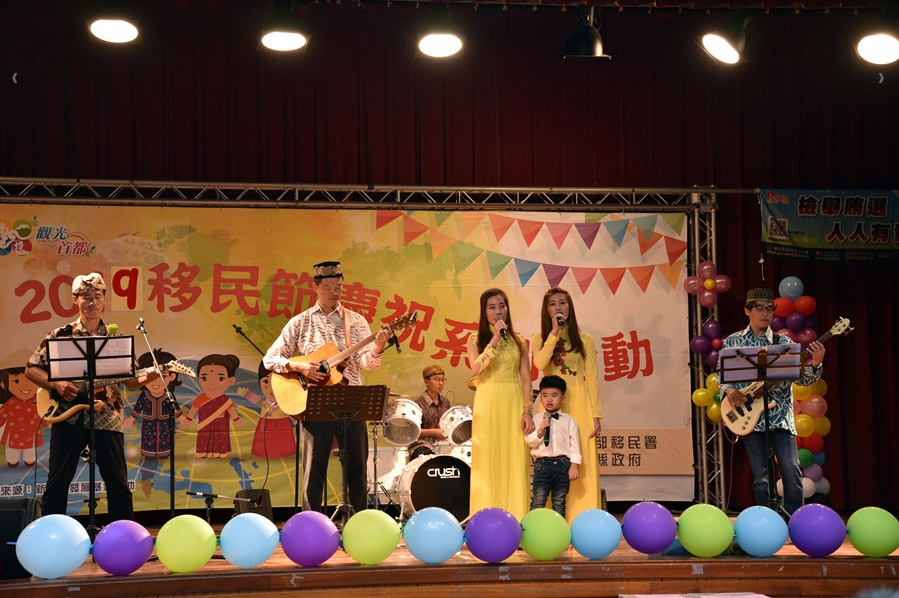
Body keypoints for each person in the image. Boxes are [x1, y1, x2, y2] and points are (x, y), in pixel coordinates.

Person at [25, 272, 158, 520]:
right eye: (86, 297)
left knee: (118, 482)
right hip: (69, 415)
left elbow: (130, 380)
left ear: (104, 299)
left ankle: (123, 537)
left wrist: (151, 375)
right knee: (57, 482)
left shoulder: (116, 339)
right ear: (75, 300)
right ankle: (53, 535)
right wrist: (58, 383)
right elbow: (31, 369)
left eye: (97, 296)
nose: (92, 302)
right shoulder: (61, 334)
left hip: (107, 416)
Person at [263, 261, 391, 514]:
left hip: (351, 399)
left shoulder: (355, 321)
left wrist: (377, 348)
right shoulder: (300, 322)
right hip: (313, 401)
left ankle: (358, 523)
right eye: (329, 287)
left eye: (339, 287)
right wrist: (299, 368)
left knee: (357, 467)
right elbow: (270, 359)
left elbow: (367, 363)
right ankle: (311, 522)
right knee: (314, 469)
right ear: (316, 288)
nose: (335, 292)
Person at [718, 287, 825, 516]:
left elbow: (804, 380)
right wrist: (728, 391)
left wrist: (815, 364)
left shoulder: (782, 341)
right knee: (760, 476)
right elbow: (721, 374)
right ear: (747, 311)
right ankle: (768, 519)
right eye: (760, 309)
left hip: (781, 416)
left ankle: (796, 521)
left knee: (791, 470)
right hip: (750, 417)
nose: (765, 314)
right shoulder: (734, 341)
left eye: (769, 309)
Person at [531, 287, 603, 522]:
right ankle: (551, 521)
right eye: (553, 304)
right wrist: (554, 332)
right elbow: (541, 364)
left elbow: (592, 377)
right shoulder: (540, 338)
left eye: (562, 303)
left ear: (569, 307)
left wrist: (596, 414)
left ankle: (582, 518)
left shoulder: (585, 340)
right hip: (551, 403)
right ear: (547, 310)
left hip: (580, 401)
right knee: (552, 457)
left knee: (579, 458)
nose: (558, 307)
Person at [466, 288, 535, 521]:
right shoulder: (475, 339)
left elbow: (526, 378)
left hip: (513, 400)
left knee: (515, 460)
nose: (498, 311)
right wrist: (495, 338)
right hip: (488, 400)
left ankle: (516, 519)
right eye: (492, 307)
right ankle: (485, 519)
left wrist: (528, 411)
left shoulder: (519, 340)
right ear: (484, 312)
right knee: (488, 461)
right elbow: (476, 368)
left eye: (502, 306)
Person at [123, 349, 184, 497]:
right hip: (149, 426)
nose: (155, 381)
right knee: (149, 451)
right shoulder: (144, 396)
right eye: (151, 377)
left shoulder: (169, 395)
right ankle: (147, 481)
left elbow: (175, 407)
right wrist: (130, 419)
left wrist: (181, 418)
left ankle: (162, 463)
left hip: (164, 426)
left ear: (172, 377)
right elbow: (138, 409)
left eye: (162, 376)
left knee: (164, 449)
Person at [526, 375, 582, 518]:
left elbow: (575, 445)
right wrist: (540, 431)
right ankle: (532, 533)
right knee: (538, 501)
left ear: (563, 398)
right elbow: (529, 442)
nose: (549, 399)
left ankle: (559, 535)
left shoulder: (569, 421)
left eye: (554, 395)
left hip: (563, 464)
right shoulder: (536, 419)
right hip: (542, 465)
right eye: (545, 395)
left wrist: (574, 466)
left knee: (559, 502)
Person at [407, 364, 451, 460]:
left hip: (443, 445)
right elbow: (412, 431)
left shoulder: (446, 402)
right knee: (427, 457)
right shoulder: (417, 403)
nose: (440, 383)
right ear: (426, 382)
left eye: (442, 379)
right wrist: (433, 433)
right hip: (421, 446)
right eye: (436, 379)